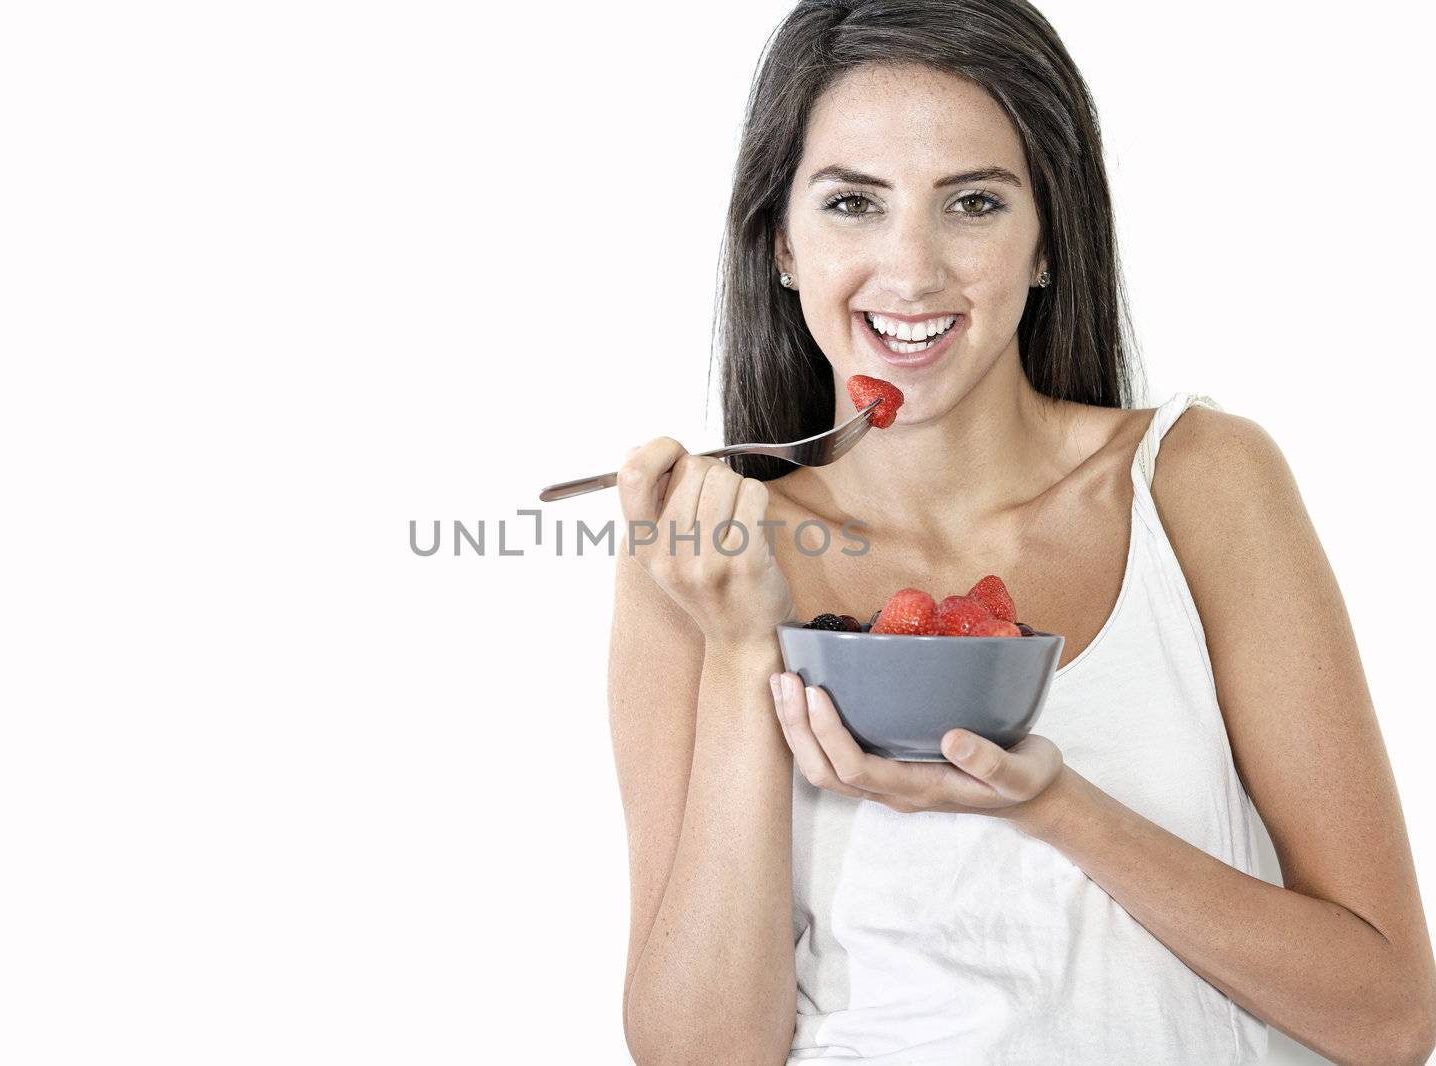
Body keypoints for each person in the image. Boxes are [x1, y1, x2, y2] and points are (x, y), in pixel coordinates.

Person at [607, 2, 1436, 1064]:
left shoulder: (1198, 483)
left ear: (1048, 239)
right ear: (780, 243)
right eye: (853, 202)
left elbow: (1388, 1016)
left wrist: (1055, 805)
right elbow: (697, 1053)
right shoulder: (700, 554)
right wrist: (736, 654)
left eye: (974, 203)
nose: (911, 273)